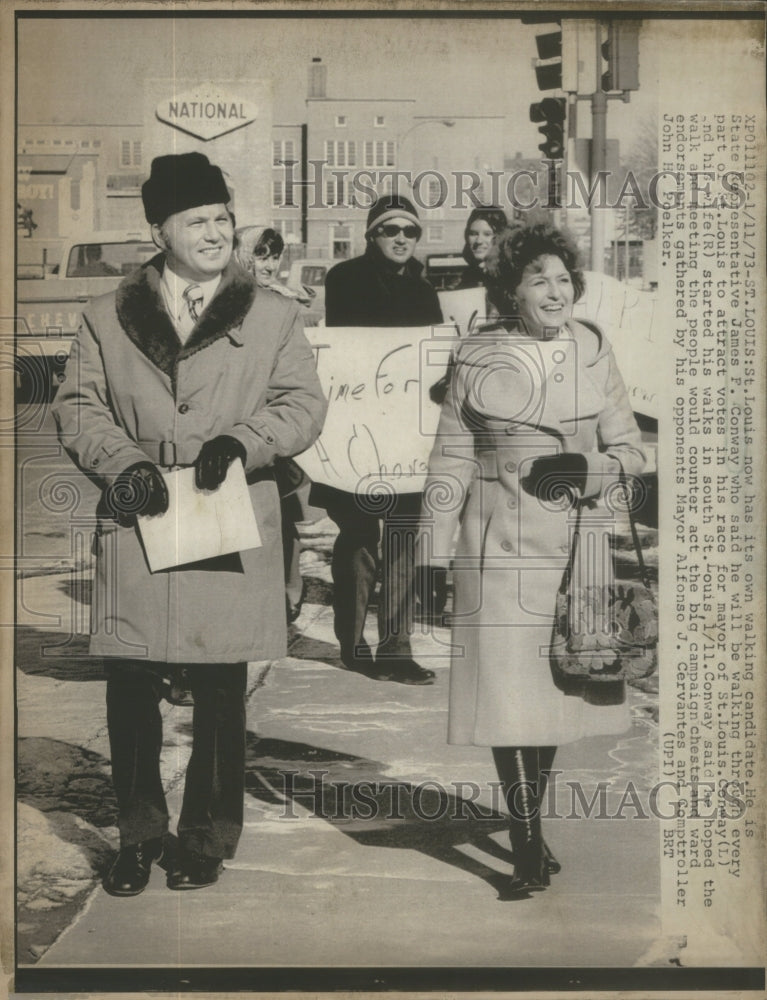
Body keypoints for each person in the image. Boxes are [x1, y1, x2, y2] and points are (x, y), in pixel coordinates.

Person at [52, 152, 326, 896]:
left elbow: (302, 404)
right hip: (141, 508)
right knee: (131, 680)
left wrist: (242, 442)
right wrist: (122, 465)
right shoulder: (106, 317)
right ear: (159, 230)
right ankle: (138, 837)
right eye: (196, 220)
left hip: (227, 506)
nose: (213, 233)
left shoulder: (272, 314)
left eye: (221, 219)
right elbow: (76, 406)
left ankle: (205, 836)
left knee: (218, 681)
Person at [418, 222, 645, 893]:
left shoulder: (594, 350)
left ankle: (528, 828)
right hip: (495, 548)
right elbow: (449, 459)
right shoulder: (475, 356)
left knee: (546, 697)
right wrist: (431, 554)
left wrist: (588, 467)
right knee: (506, 698)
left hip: (576, 550)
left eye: (562, 277)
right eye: (537, 277)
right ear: (509, 288)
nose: (555, 290)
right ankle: (523, 846)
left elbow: (633, 455)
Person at [315, 194, 443, 685]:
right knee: (360, 539)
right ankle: (353, 641)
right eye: (391, 230)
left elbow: (431, 357)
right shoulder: (344, 279)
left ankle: (397, 646)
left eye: (410, 232)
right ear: (373, 234)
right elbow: (346, 350)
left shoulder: (426, 292)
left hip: (408, 435)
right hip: (359, 431)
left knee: (406, 538)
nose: (401, 240)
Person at [235, 225, 314, 622]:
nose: (267, 263)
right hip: (238, 418)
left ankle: (287, 592)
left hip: (276, 422)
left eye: (273, 255)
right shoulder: (226, 301)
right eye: (260, 253)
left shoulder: (288, 303)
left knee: (284, 514)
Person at [457, 205, 508, 290]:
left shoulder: (509, 277)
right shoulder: (467, 277)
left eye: (487, 234)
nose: (479, 241)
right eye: (473, 234)